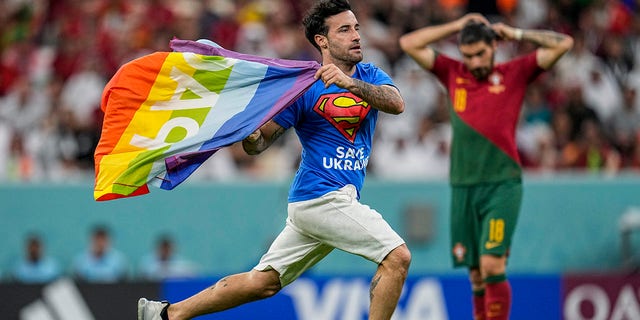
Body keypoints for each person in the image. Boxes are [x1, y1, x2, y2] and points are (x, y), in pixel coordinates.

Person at [137, 0, 411, 319]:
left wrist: (350, 83)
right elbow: (260, 142)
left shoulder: (369, 74)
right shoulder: (303, 86)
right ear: (322, 40)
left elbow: (396, 103)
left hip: (322, 201)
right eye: (345, 29)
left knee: (263, 282)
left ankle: (166, 315)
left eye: (356, 28)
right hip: (322, 197)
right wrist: (250, 134)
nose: (356, 36)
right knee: (397, 257)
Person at [399, 13, 573, 320]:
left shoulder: (515, 72)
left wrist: (517, 34)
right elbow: (408, 43)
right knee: (476, 274)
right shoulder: (453, 72)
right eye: (468, 55)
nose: (475, 61)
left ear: (494, 46)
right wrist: (457, 25)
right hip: (463, 186)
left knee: (493, 264)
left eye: (480, 53)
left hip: (501, 184)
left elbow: (564, 44)